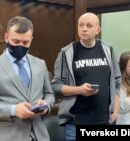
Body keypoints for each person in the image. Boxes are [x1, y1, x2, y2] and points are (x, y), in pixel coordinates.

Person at [0, 16, 55, 141]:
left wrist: (46, 105)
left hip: (40, 136)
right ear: (6, 37)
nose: (20, 46)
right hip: (7, 137)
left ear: (31, 40)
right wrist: (13, 110)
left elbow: (49, 94)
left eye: (25, 43)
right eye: (16, 41)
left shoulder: (40, 64)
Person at [51, 12, 121, 140]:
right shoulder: (66, 53)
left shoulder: (108, 50)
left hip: (104, 120)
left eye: (89, 26)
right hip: (76, 122)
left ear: (98, 29)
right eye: (81, 25)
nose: (84, 29)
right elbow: (56, 86)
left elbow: (117, 82)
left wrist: (115, 110)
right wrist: (79, 90)